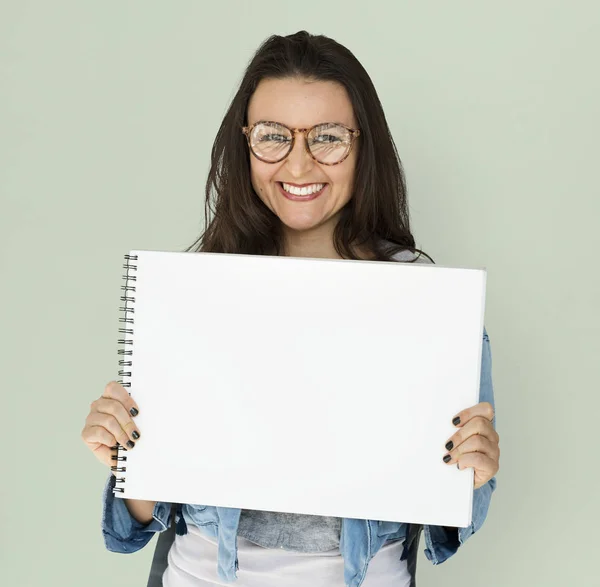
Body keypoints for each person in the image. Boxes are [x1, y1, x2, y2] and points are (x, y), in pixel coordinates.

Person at [81, 30, 500, 587]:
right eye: (273, 136)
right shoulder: (190, 291)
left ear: (363, 144)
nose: (299, 165)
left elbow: (450, 516)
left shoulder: (429, 305)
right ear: (244, 142)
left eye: (327, 137)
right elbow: (138, 522)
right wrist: (126, 454)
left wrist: (473, 474)